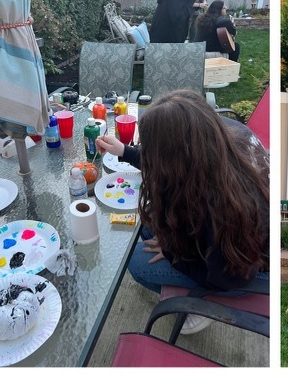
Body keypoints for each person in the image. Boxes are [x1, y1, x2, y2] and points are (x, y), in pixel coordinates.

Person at [95, 90, 269, 334]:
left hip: (242, 271)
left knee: (136, 260)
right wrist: (126, 151)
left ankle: (202, 302)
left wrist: (171, 253)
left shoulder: (224, 207)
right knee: (148, 227)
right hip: (224, 245)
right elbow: (169, 159)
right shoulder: (224, 135)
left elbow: (231, 277)